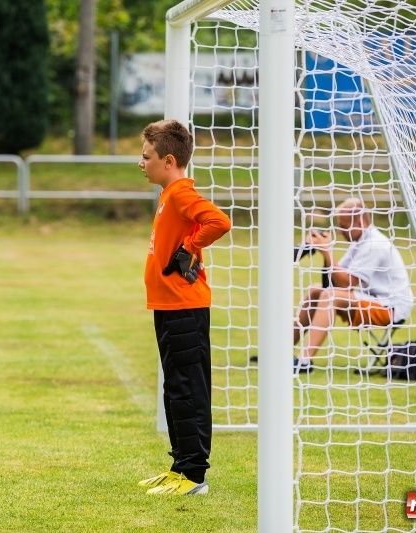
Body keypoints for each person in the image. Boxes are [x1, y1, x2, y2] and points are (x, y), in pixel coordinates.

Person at [137, 119, 231, 495]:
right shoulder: (168, 194)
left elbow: (219, 221)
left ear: (169, 160)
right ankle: (180, 467)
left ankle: (194, 476)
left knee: (188, 387)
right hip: (168, 304)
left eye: (146, 157)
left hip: (183, 306)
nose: (141, 163)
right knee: (174, 385)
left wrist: (190, 246)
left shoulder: (179, 193)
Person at [293, 197, 414, 373]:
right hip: (372, 300)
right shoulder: (359, 242)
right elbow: (333, 281)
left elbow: (346, 284)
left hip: (390, 308)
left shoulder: (375, 244)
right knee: (315, 291)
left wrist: (327, 252)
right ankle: (277, 352)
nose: (340, 232)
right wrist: (318, 249)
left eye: (343, 226)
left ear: (359, 221)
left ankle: (305, 361)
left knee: (330, 296)